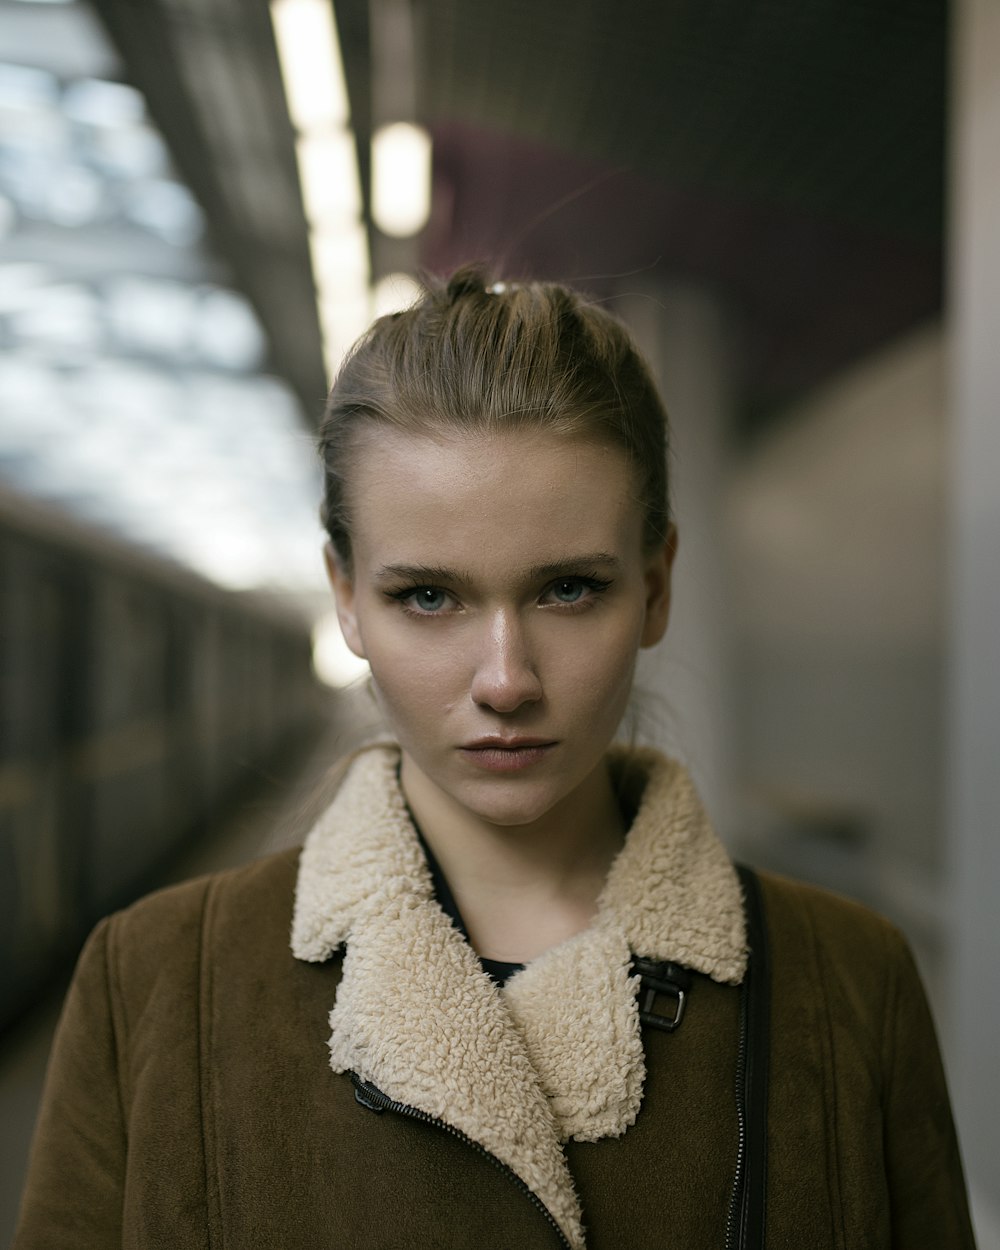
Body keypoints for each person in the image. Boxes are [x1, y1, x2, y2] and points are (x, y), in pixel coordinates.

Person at [15, 267, 975, 1249]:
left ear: (654, 585)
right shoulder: (149, 986)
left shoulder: (853, 983)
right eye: (428, 597)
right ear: (345, 597)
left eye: (567, 589)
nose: (506, 679)